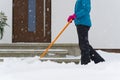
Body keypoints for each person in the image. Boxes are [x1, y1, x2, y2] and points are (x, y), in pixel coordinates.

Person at [67, 0, 105, 65]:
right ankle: (98, 60)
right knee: (84, 44)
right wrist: (73, 17)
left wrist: (75, 16)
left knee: (83, 44)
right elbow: (80, 10)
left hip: (83, 23)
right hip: (80, 23)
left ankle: (85, 63)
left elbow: (86, 10)